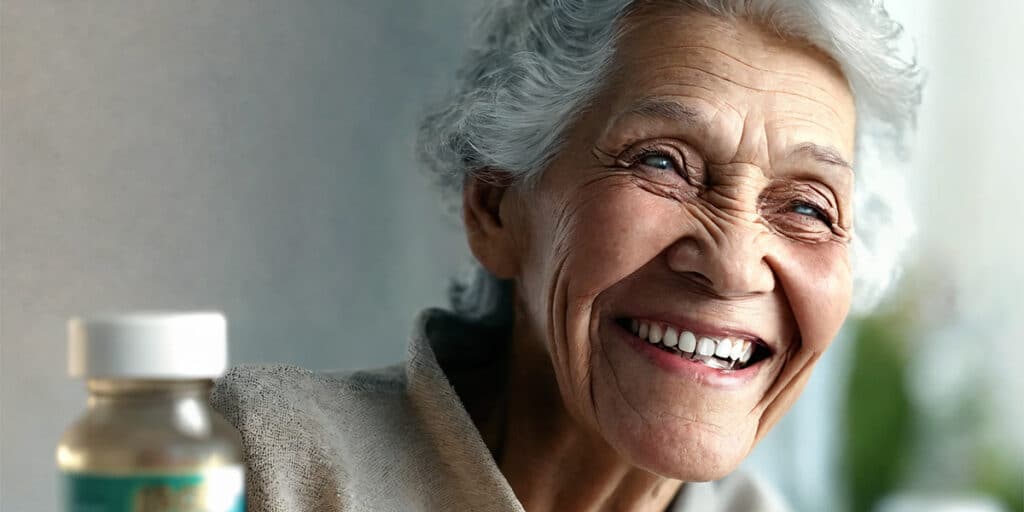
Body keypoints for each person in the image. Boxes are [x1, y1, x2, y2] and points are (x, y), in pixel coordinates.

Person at [212, 1, 922, 510]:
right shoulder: (259, 462)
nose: (733, 263)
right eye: (663, 163)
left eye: (806, 207)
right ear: (494, 208)